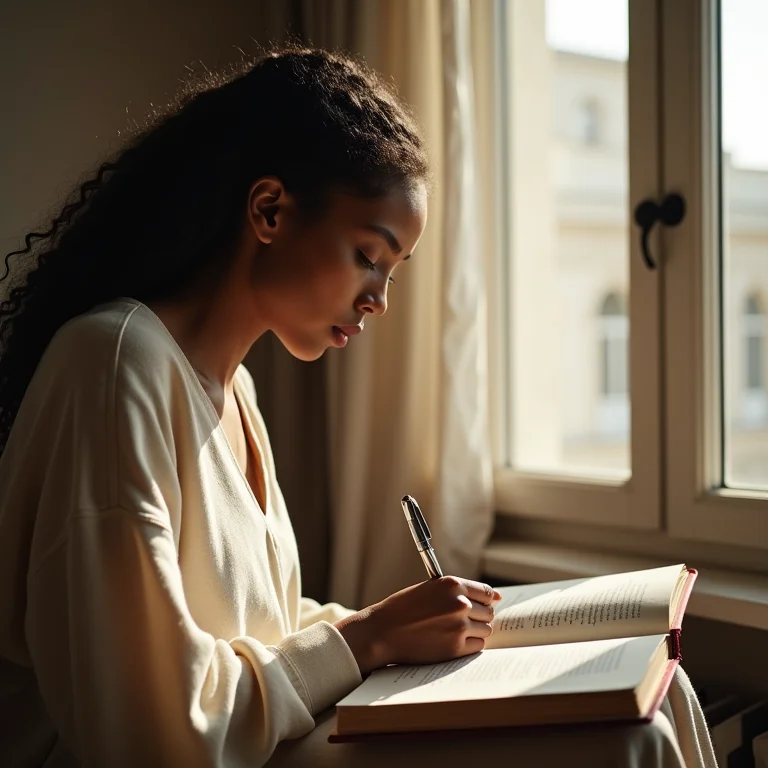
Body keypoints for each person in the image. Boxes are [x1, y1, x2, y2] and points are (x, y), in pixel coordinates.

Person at [0, 45, 715, 768]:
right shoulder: (114, 363)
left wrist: (406, 630)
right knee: (632, 739)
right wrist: (367, 638)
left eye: (394, 271)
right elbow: (152, 726)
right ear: (269, 210)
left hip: (254, 741)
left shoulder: (234, 391)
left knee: (663, 693)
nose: (378, 300)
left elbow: (262, 627)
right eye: (369, 256)